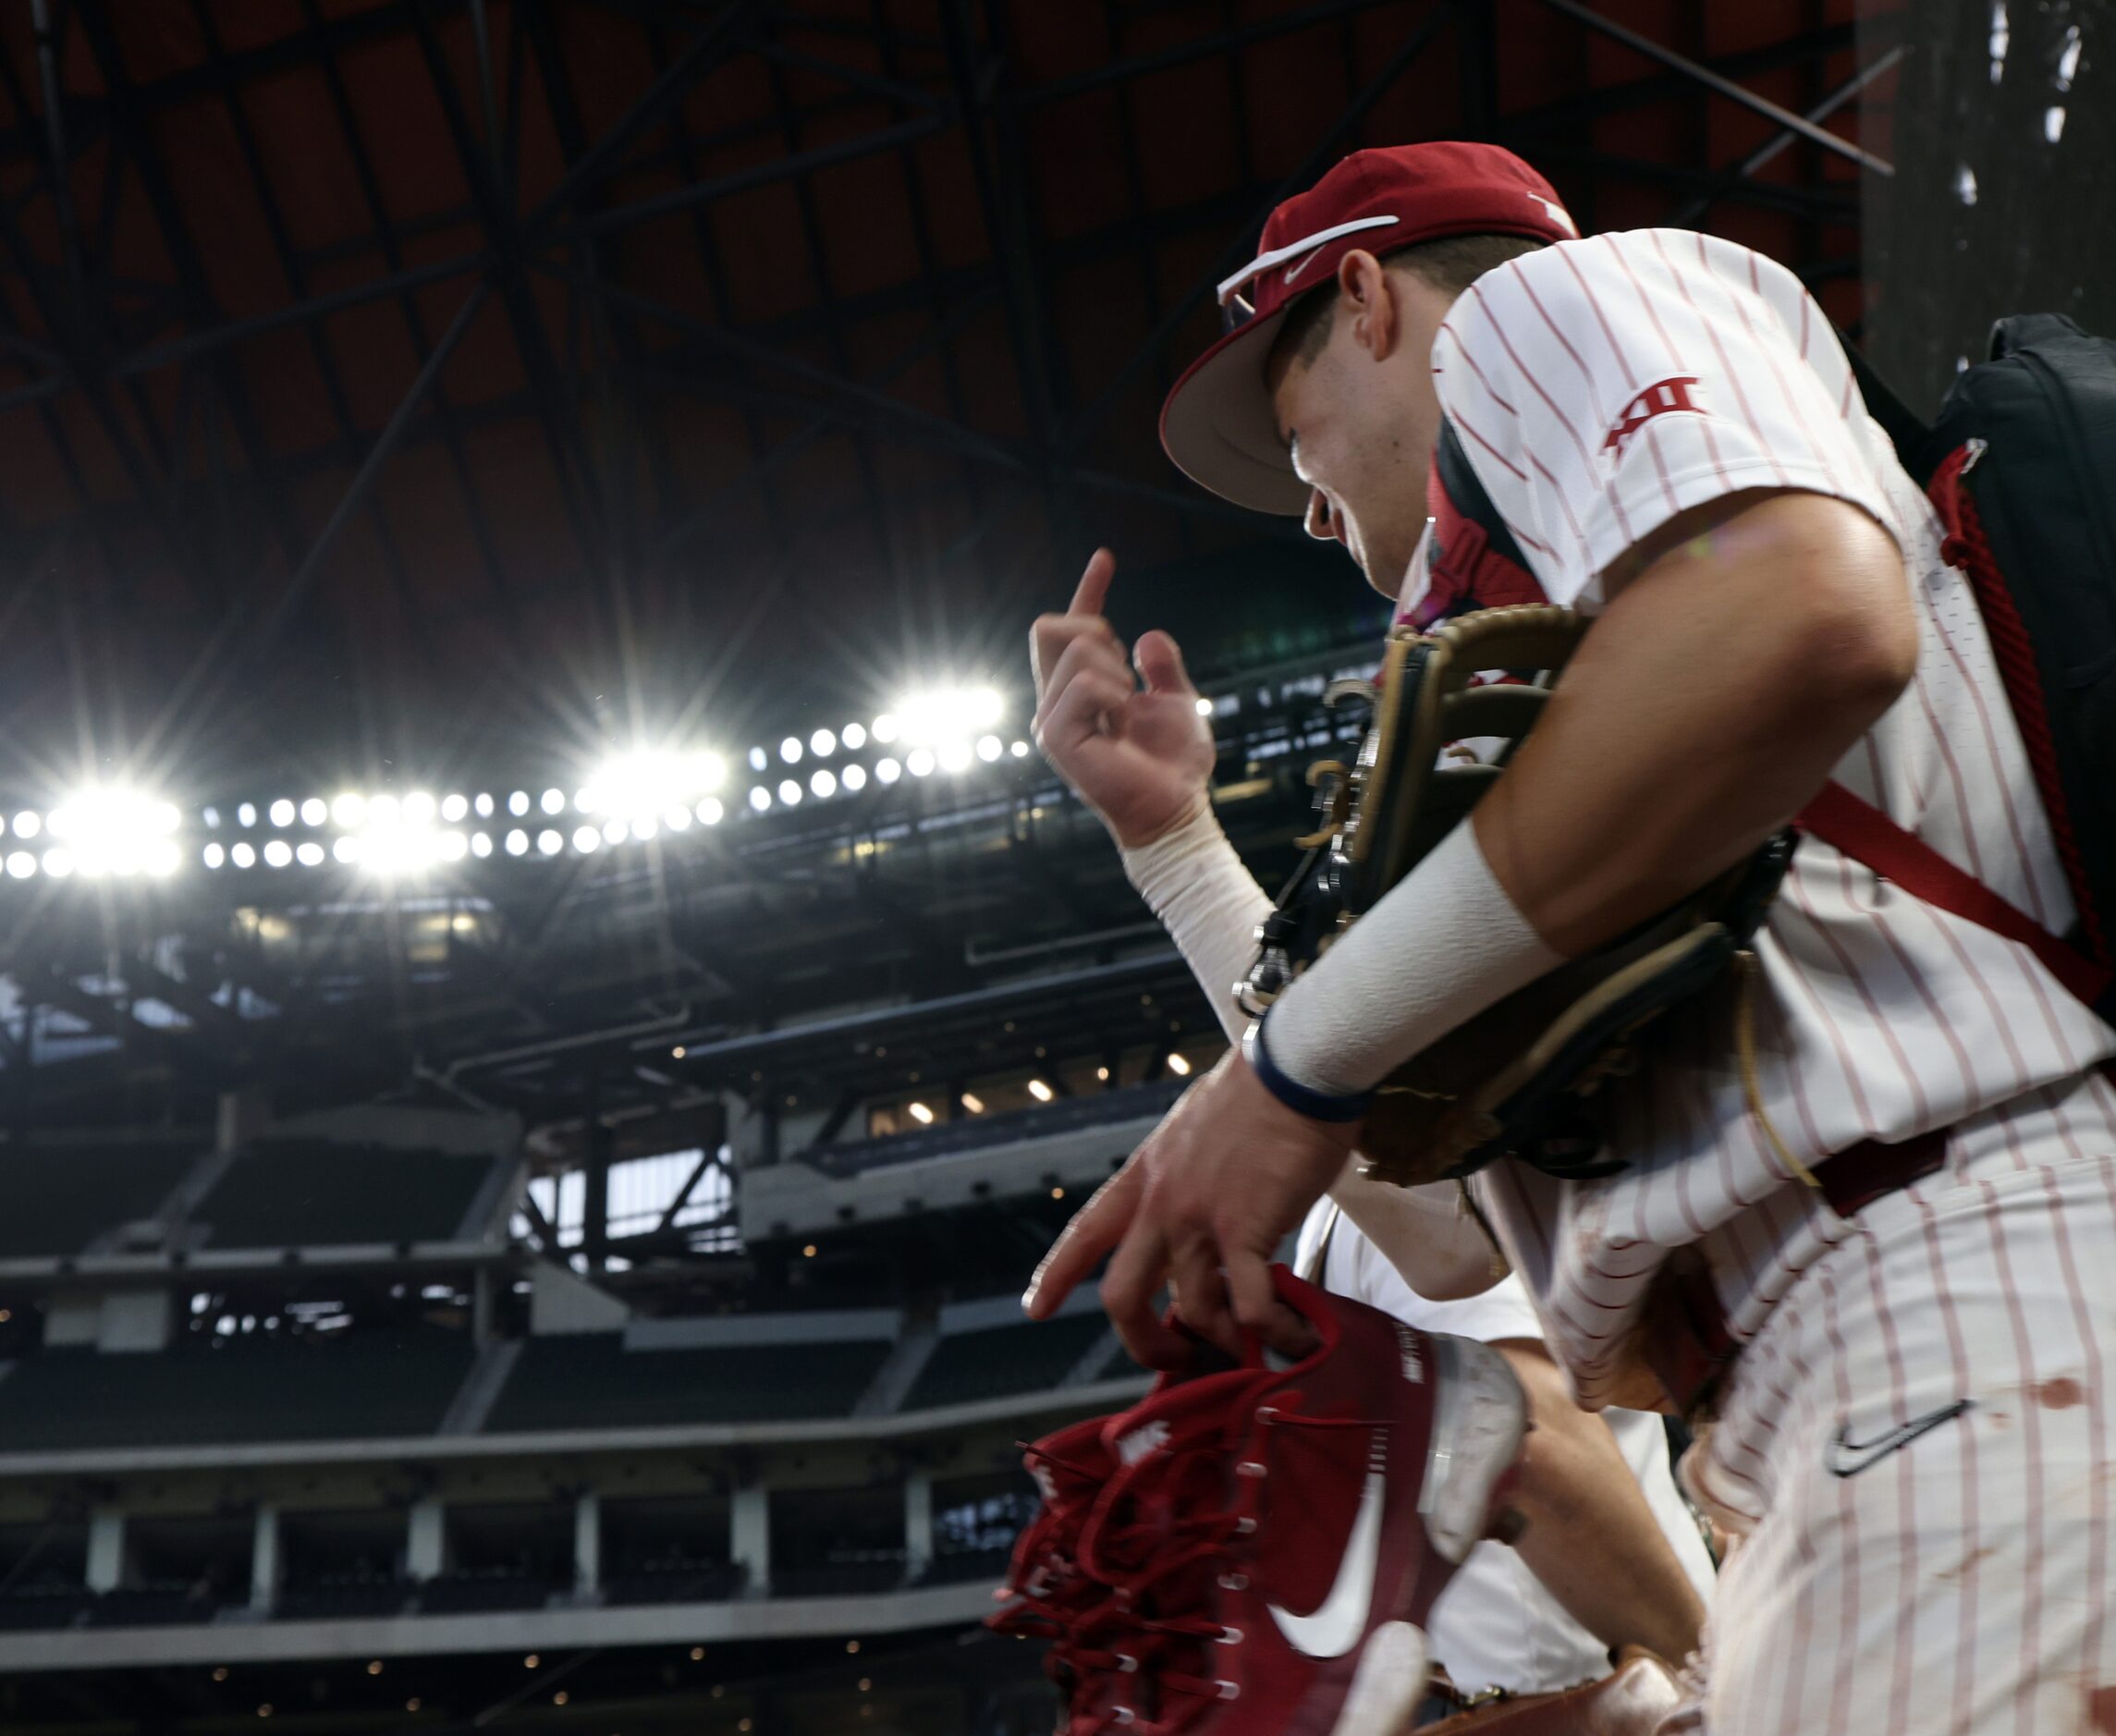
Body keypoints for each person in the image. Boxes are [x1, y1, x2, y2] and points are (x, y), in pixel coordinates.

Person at [1023, 140, 2116, 1730]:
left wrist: (1288, 1075)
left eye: (1293, 430)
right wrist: (1173, 843)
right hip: (1811, 1385)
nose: (1312, 511)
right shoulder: (1539, 659)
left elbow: (1803, 612)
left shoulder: (1542, 313)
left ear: (1363, 297)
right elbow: (1451, 1237)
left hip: (1945, 1258)